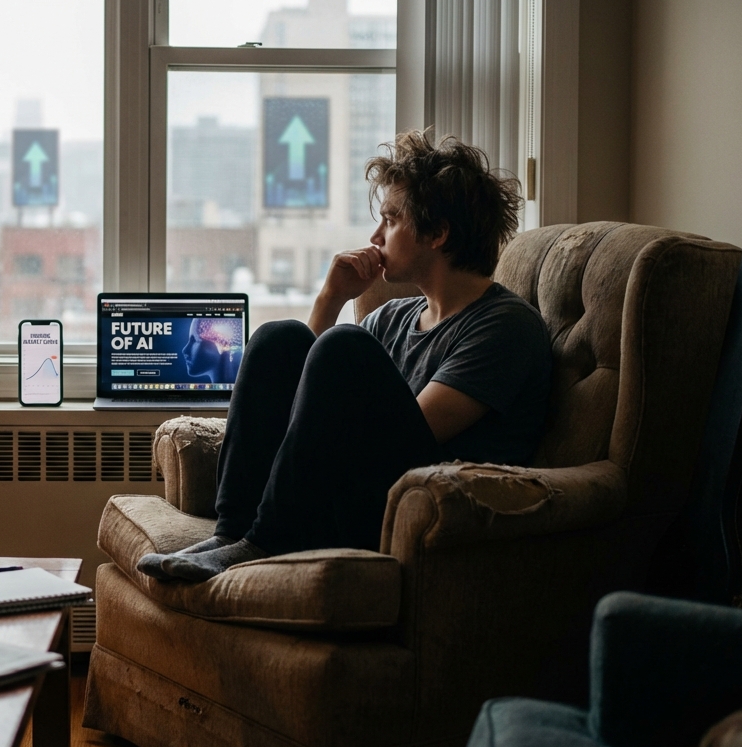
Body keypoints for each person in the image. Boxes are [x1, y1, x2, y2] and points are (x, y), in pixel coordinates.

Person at [138, 130, 553, 583]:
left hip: (414, 506)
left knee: (342, 347)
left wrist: (337, 367)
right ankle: (234, 535)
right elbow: (300, 386)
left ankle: (266, 542)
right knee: (280, 336)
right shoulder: (395, 316)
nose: (375, 236)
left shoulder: (505, 325)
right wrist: (330, 299)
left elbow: (418, 431)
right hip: (354, 490)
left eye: (391, 220)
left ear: (437, 233)